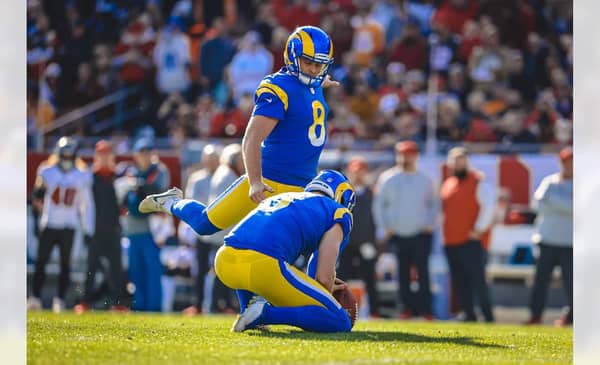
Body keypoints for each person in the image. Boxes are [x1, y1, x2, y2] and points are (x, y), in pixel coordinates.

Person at [139, 26, 339, 240]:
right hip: (271, 181)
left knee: (312, 241)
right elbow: (252, 138)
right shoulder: (278, 88)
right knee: (205, 224)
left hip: (303, 185)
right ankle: (171, 202)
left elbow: (310, 84)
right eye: (308, 63)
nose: (313, 70)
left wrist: (321, 81)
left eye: (318, 65)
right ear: (292, 57)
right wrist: (255, 181)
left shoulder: (313, 82)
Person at [214, 170, 356, 332]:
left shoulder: (284, 197)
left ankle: (248, 310)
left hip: (224, 261)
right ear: (343, 196)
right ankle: (264, 314)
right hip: (262, 265)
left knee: (258, 258)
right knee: (340, 322)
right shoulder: (338, 212)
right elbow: (323, 277)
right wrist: (327, 293)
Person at [28, 136, 95, 313]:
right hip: (49, 223)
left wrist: (88, 228)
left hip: (69, 225)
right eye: (63, 155)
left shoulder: (82, 175)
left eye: (68, 155)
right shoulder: (47, 172)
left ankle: (60, 300)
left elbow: (85, 204)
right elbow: (37, 198)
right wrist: (36, 218)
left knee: (66, 265)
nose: (66, 158)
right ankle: (34, 297)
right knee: (41, 262)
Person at [372, 141, 437, 320]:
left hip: (420, 232)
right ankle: (406, 308)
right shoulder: (387, 178)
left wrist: (430, 223)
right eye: (402, 154)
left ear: (415, 156)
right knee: (402, 273)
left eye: (408, 154)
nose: (405, 158)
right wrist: (384, 227)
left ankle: (426, 310)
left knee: (423, 273)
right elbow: (379, 205)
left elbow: (434, 204)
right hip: (397, 233)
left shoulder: (426, 178)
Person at [440, 147, 495, 322]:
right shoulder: (448, 183)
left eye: (461, 159)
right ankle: (468, 313)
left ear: (467, 162)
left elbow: (488, 206)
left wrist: (479, 229)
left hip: (471, 240)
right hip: (451, 240)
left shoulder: (478, 181)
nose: (457, 163)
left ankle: (488, 316)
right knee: (459, 280)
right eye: (454, 160)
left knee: (478, 280)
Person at [117, 138, 170, 312]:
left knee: (153, 271)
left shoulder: (159, 171)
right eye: (141, 152)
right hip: (132, 229)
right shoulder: (129, 172)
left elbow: (158, 191)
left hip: (152, 229)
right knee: (136, 272)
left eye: (147, 152)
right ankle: (139, 306)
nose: (144, 156)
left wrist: (138, 184)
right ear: (135, 154)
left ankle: (154, 307)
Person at [74, 140, 127, 314]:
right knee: (91, 267)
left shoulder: (118, 176)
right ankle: (85, 302)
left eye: (107, 154)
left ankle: (117, 303)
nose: (104, 157)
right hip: (95, 229)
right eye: (101, 154)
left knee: (116, 269)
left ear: (111, 156)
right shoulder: (89, 177)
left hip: (113, 229)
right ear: (96, 156)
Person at [525, 147, 573, 327]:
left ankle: (571, 318)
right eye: (565, 162)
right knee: (540, 282)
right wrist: (567, 206)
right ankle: (535, 316)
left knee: (571, 283)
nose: (568, 166)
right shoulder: (550, 181)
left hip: (570, 242)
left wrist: (554, 202)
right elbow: (538, 204)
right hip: (547, 239)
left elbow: (579, 209)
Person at [337, 157, 380, 318]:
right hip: (346, 242)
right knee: (341, 277)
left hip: (366, 242)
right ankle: (338, 309)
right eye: (355, 172)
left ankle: (375, 311)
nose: (358, 175)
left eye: (361, 172)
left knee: (370, 278)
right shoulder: (342, 194)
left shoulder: (372, 193)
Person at [180, 144, 220, 315]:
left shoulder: (224, 177)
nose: (210, 162)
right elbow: (191, 202)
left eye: (214, 159)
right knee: (200, 268)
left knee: (220, 267)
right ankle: (197, 304)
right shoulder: (196, 178)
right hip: (202, 228)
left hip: (220, 228)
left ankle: (219, 304)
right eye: (208, 158)